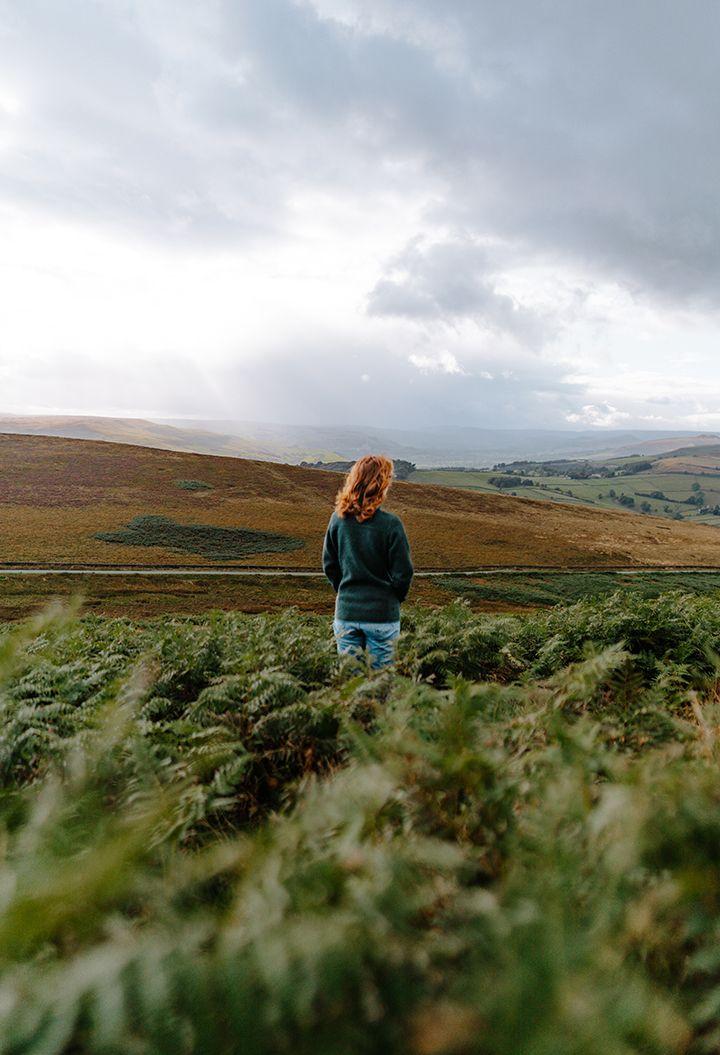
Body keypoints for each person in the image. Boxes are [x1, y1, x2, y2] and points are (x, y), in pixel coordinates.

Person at [322, 454, 414, 670]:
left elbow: (329, 565)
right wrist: (391, 598)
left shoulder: (337, 519)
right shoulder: (391, 525)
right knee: (380, 686)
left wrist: (346, 591)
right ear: (381, 485)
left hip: (346, 613)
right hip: (382, 615)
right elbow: (403, 574)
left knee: (351, 687)